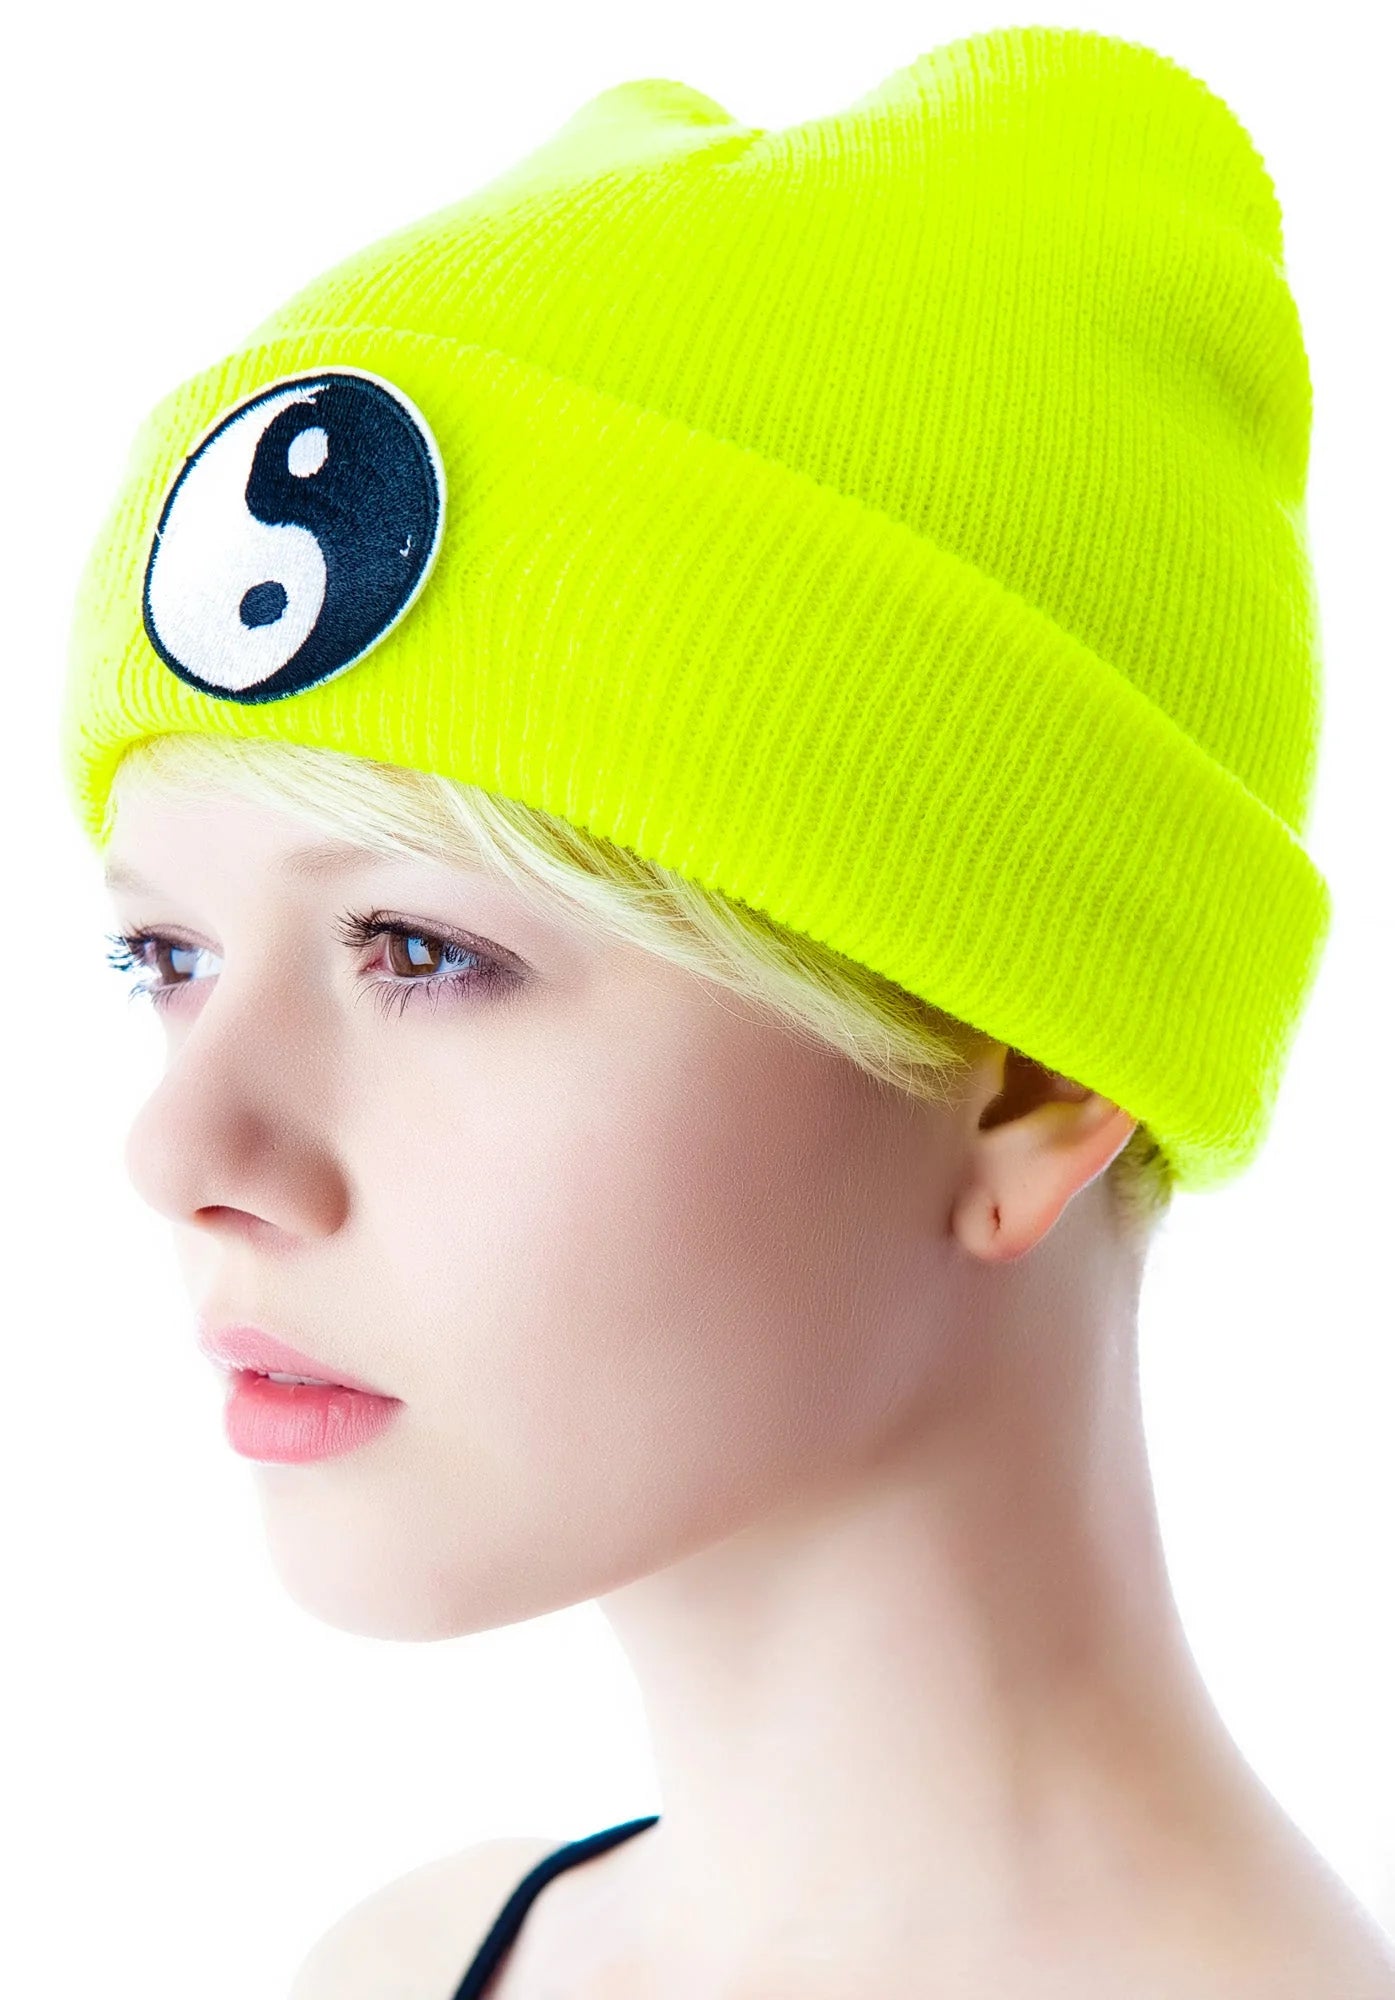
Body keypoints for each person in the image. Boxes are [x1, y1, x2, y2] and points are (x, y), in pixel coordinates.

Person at [61, 23, 1395, 1999]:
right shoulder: (395, 1962)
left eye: (420, 951)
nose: (179, 1146)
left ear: (1024, 1077)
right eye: (165, 958)